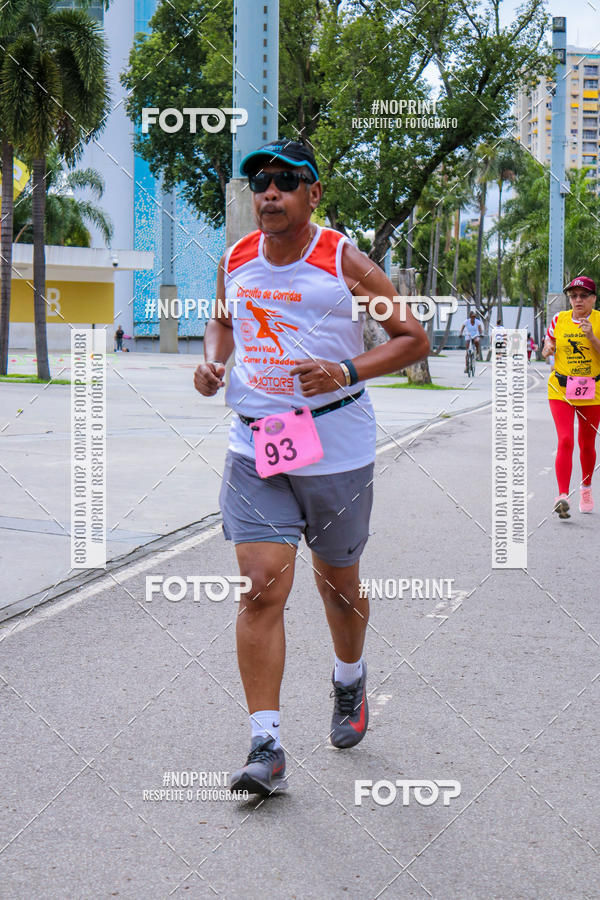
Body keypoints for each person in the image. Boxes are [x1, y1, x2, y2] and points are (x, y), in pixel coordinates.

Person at [193, 138, 429, 796]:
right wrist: (214, 361)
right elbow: (223, 323)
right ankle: (266, 744)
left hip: (335, 448)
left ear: (313, 194)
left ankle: (348, 678)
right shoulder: (236, 260)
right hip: (256, 443)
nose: (269, 192)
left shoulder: (343, 261)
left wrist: (343, 370)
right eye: (260, 182)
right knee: (262, 585)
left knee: (338, 585)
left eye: (285, 181)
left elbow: (414, 337)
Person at [542, 276, 600, 518]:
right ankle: (562, 496)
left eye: (583, 296)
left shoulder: (598, 321)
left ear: (593, 299)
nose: (577, 300)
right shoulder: (560, 319)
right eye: (573, 296)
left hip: (593, 392)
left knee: (587, 444)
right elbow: (550, 339)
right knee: (565, 440)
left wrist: (592, 338)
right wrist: (547, 347)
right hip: (561, 389)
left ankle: (585, 489)